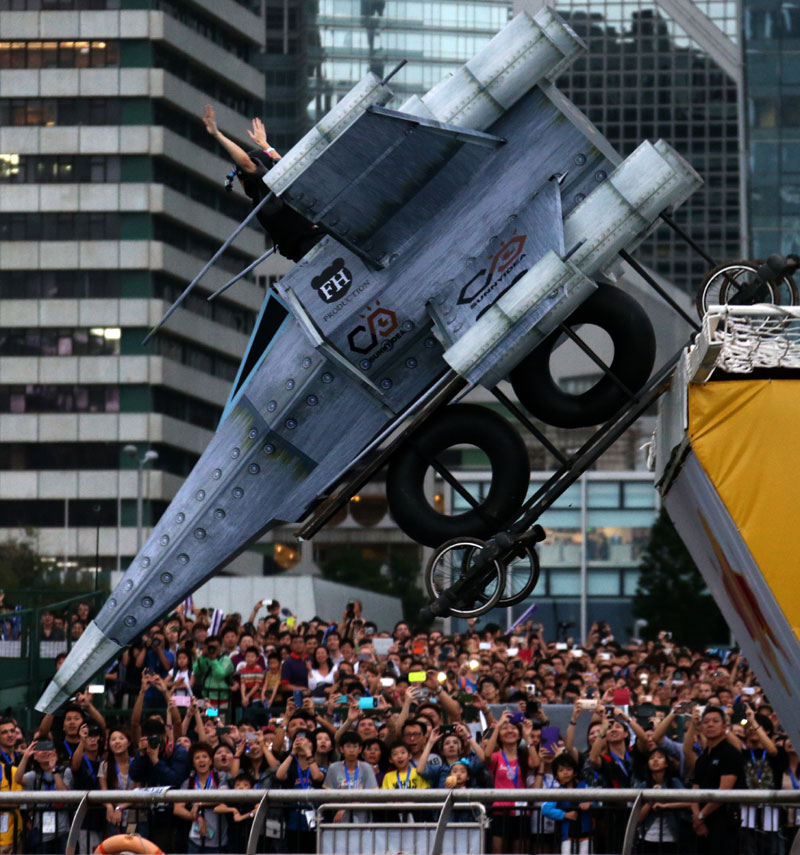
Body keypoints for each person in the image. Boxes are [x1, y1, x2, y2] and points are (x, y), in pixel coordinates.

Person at [202, 107, 322, 262]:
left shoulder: (268, 200)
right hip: (320, 245)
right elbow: (282, 166)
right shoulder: (282, 191)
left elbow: (248, 164)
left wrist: (217, 134)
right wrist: (265, 145)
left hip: (314, 253)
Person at [691, 706, 745, 853]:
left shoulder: (730, 753)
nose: (710, 725)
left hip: (724, 822)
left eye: (715, 721)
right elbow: (694, 789)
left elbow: (724, 791)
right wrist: (697, 817)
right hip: (701, 823)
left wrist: (701, 815)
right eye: (706, 721)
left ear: (724, 727)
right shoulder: (702, 758)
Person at [174, 743, 229, 854]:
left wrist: (199, 803)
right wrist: (197, 818)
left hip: (218, 841)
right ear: (193, 763)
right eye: (197, 758)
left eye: (204, 756)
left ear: (210, 761)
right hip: (195, 841)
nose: (201, 760)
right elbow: (177, 809)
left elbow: (223, 796)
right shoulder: (188, 783)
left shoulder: (219, 777)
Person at [542, 753, 593, 855]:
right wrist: (565, 815)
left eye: (569, 769)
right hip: (567, 836)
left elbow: (599, 801)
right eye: (561, 770)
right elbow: (545, 809)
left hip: (586, 835)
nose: (565, 773)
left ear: (574, 772)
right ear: (556, 775)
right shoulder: (557, 791)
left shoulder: (585, 786)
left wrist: (590, 804)